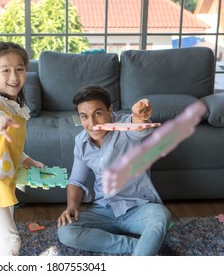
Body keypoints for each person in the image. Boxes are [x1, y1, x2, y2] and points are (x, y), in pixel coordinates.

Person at [57, 85, 172, 256]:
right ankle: (139, 247)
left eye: (98, 113)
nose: (92, 123)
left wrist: (140, 117)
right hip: (103, 210)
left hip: (138, 208)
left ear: (110, 110)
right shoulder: (81, 142)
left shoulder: (125, 125)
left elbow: (138, 128)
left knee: (161, 217)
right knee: (66, 231)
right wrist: (72, 206)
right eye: (84, 116)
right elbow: (77, 181)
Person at [0, 41, 45, 256]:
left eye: (19, 69)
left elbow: (7, 147)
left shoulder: (16, 106)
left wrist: (26, 159)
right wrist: (0, 120)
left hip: (2, 182)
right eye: (6, 70)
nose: (14, 76)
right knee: (11, 240)